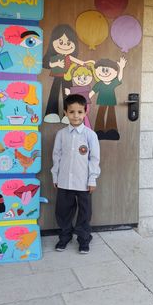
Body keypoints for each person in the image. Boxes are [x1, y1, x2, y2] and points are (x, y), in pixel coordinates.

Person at [51, 94, 101, 254]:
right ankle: (65, 237)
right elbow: (56, 156)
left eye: (80, 112)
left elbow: (94, 158)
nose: (76, 116)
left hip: (83, 183)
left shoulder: (90, 135)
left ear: (85, 112)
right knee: (63, 211)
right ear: (65, 112)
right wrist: (55, 176)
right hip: (64, 181)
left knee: (85, 213)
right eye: (72, 112)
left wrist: (92, 179)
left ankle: (84, 239)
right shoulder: (61, 134)